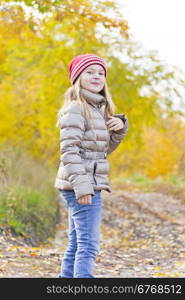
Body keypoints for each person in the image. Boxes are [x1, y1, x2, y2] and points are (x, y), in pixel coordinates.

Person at [54, 53, 129, 278]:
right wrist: (83, 186)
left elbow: (101, 152)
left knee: (77, 244)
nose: (96, 77)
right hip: (82, 185)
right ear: (78, 77)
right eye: (90, 72)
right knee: (88, 246)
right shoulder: (77, 108)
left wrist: (120, 128)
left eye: (101, 73)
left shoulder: (97, 109)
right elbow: (69, 151)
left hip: (83, 183)